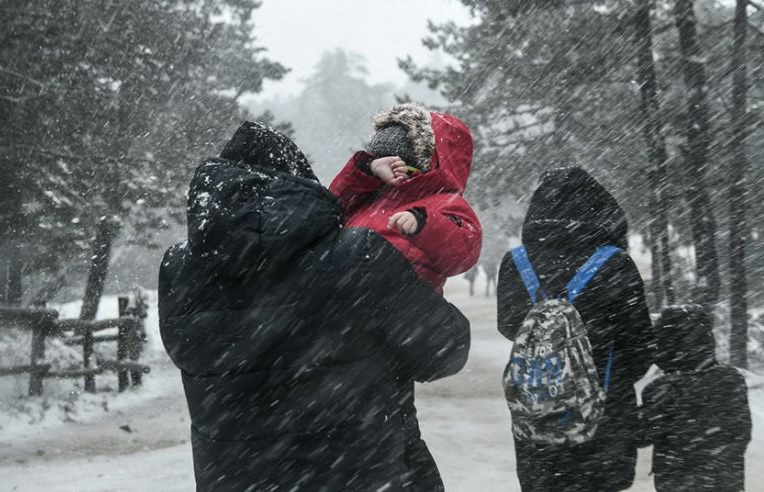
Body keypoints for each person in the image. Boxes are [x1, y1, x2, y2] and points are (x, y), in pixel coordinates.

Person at [158, 121, 471, 491]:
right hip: (361, 476)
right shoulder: (357, 257)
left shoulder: (179, 271)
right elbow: (445, 350)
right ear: (301, 184)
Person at [497, 167, 655, 492]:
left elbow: (510, 327)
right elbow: (639, 346)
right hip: (603, 415)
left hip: (538, 411)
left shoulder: (516, 262)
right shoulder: (615, 264)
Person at [329, 102, 482, 293]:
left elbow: (463, 252)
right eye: (381, 159)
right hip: (345, 302)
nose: (391, 172)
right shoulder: (367, 197)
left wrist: (424, 222)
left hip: (403, 306)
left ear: (422, 165)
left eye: (402, 164)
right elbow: (332, 206)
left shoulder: (445, 203)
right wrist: (369, 169)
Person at [641, 305, 752, 492]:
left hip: (678, 483)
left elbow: (641, 434)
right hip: (725, 480)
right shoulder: (731, 378)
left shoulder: (663, 389)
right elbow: (741, 432)